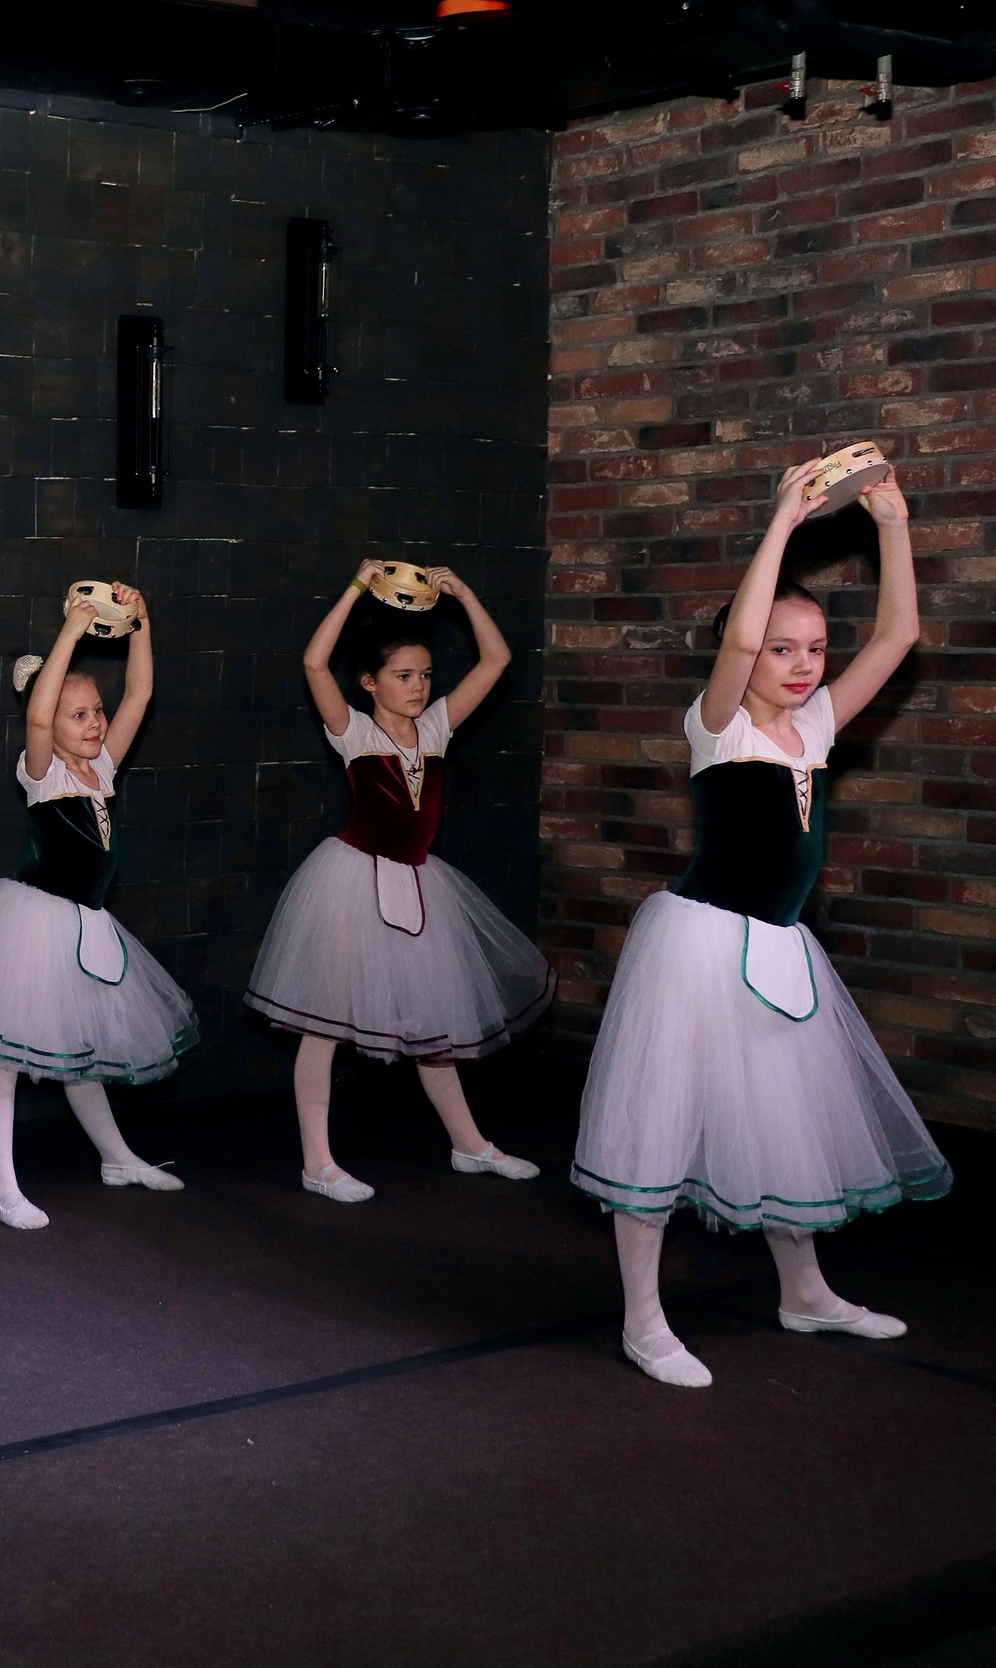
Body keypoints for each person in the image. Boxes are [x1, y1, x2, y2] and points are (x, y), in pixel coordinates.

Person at [572, 459, 950, 1388]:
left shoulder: (814, 727)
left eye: (815, 649)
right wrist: (784, 519)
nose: (802, 666)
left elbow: (900, 634)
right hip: (699, 947)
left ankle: (805, 1291)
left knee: (786, 1120)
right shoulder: (717, 725)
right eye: (783, 650)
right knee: (657, 1130)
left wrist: (892, 525)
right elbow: (740, 635)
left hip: (781, 949)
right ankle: (645, 1320)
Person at [243, 565, 553, 1202]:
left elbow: (496, 660)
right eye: (403, 676)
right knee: (322, 1025)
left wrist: (464, 593)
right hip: (350, 885)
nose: (418, 687)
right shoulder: (354, 732)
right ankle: (318, 1162)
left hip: (418, 887)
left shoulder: (436, 727)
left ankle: (470, 1144)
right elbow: (312, 663)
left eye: (425, 675)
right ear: (369, 682)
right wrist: (355, 588)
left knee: (435, 1024)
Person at [0, 585, 200, 1230]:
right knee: (5, 1060)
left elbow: (141, 695)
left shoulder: (104, 769)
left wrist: (141, 622)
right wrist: (70, 632)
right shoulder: (43, 771)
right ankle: (4, 1187)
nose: (94, 723)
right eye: (80, 715)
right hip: (32, 927)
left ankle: (118, 1158)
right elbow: (39, 721)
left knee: (81, 1052)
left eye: (96, 712)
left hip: (88, 928)